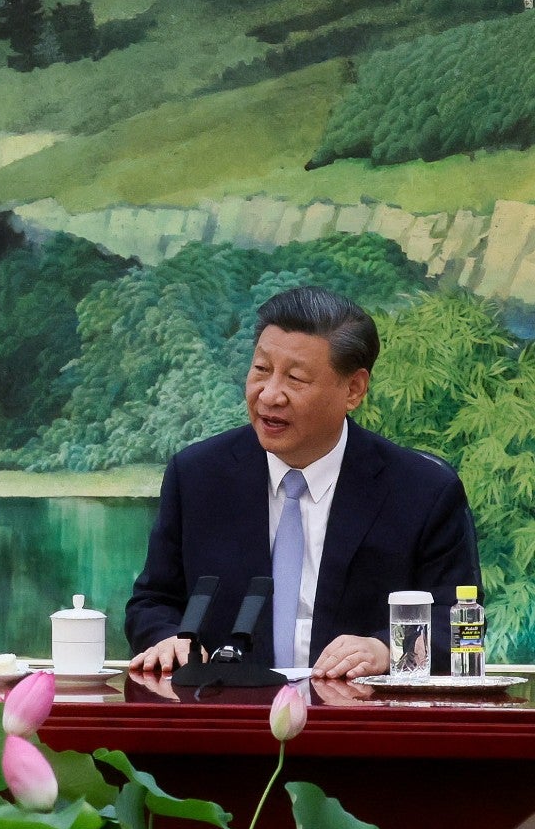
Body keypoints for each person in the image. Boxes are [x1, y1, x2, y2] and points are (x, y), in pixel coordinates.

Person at [126, 286, 479, 680]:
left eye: (295, 379)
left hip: (358, 726)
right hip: (227, 721)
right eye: (261, 370)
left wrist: (385, 650)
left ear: (353, 389)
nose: (270, 395)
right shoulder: (198, 476)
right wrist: (168, 637)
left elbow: (458, 626)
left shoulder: (422, 491)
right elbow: (152, 602)